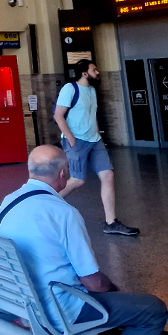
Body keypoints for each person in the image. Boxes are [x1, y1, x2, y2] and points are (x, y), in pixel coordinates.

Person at [0, 146, 168, 335]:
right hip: (62, 311)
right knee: (152, 309)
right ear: (62, 174)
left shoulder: (8, 202)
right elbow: (93, 282)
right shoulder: (63, 213)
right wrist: (114, 290)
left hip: (22, 305)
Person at [53, 59, 139, 236]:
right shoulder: (70, 89)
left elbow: (91, 115)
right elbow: (58, 115)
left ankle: (111, 222)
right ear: (84, 73)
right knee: (78, 180)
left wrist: (98, 133)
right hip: (76, 140)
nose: (97, 72)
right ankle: (45, 203)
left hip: (95, 140)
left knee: (108, 175)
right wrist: (71, 139)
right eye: (94, 70)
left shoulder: (91, 90)